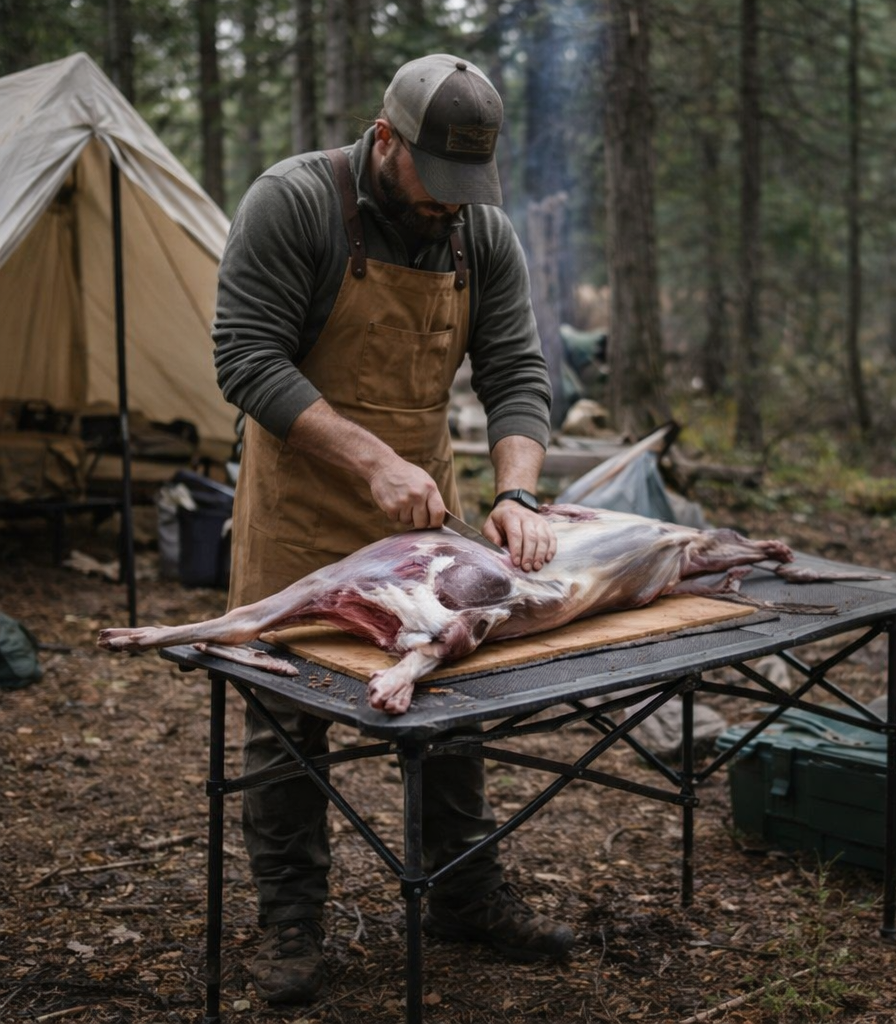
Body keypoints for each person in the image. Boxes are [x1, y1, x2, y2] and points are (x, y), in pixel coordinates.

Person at [212, 54, 574, 1005]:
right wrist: (371, 460)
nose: (451, 205)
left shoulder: (478, 232)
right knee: (287, 723)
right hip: (302, 504)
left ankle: (462, 894)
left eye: (470, 188)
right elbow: (244, 357)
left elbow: (516, 371)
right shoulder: (293, 204)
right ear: (385, 140)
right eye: (437, 182)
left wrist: (518, 493)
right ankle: (291, 925)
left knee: (449, 705)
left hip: (422, 516)